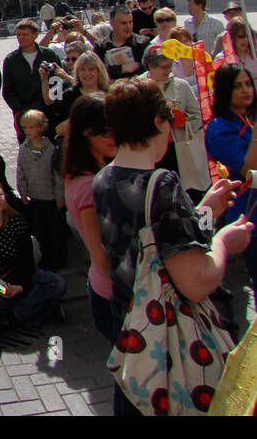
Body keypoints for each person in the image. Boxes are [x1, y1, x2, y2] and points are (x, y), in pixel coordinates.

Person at [96, 77, 251, 416]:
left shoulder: (105, 178)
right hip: (173, 355)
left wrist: (204, 211)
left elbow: (156, 241)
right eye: (170, 121)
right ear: (157, 121)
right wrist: (225, 240)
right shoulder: (162, 183)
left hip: (133, 346)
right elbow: (197, 282)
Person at [0, 177, 65, 328]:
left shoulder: (17, 222)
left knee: (56, 283)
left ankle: (14, 316)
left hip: (20, 276)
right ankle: (36, 309)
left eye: (0, 194)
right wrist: (1, 288)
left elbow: (26, 260)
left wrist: (20, 286)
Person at [62, 93, 118, 344]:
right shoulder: (88, 185)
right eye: (105, 131)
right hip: (112, 293)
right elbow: (101, 256)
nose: (114, 137)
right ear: (86, 133)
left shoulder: (87, 172)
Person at [204, 64, 257, 293]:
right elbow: (250, 170)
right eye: (237, 86)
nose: (245, 90)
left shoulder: (251, 116)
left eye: (248, 83)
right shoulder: (219, 128)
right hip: (251, 211)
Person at [143, 47, 208, 199]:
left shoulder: (182, 85)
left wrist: (184, 122)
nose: (169, 71)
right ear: (151, 67)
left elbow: (197, 114)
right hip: (152, 149)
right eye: (164, 67)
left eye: (170, 65)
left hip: (180, 147)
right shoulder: (140, 87)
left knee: (186, 192)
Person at [16, 110, 65, 271]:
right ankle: (46, 255)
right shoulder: (23, 150)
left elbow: (58, 176)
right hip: (34, 198)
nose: (28, 131)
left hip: (51, 198)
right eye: (25, 128)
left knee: (56, 230)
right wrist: (22, 192)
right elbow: (20, 171)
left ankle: (59, 257)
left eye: (32, 127)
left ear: (42, 128)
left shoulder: (52, 149)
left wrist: (60, 197)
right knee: (41, 231)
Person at [2, 19, 61, 141]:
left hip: (48, 113)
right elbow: (8, 91)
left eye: (25, 34)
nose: (21, 37)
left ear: (35, 35)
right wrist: (20, 110)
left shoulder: (49, 54)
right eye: (18, 34)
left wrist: (55, 107)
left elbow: (57, 82)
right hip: (25, 117)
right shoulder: (11, 60)